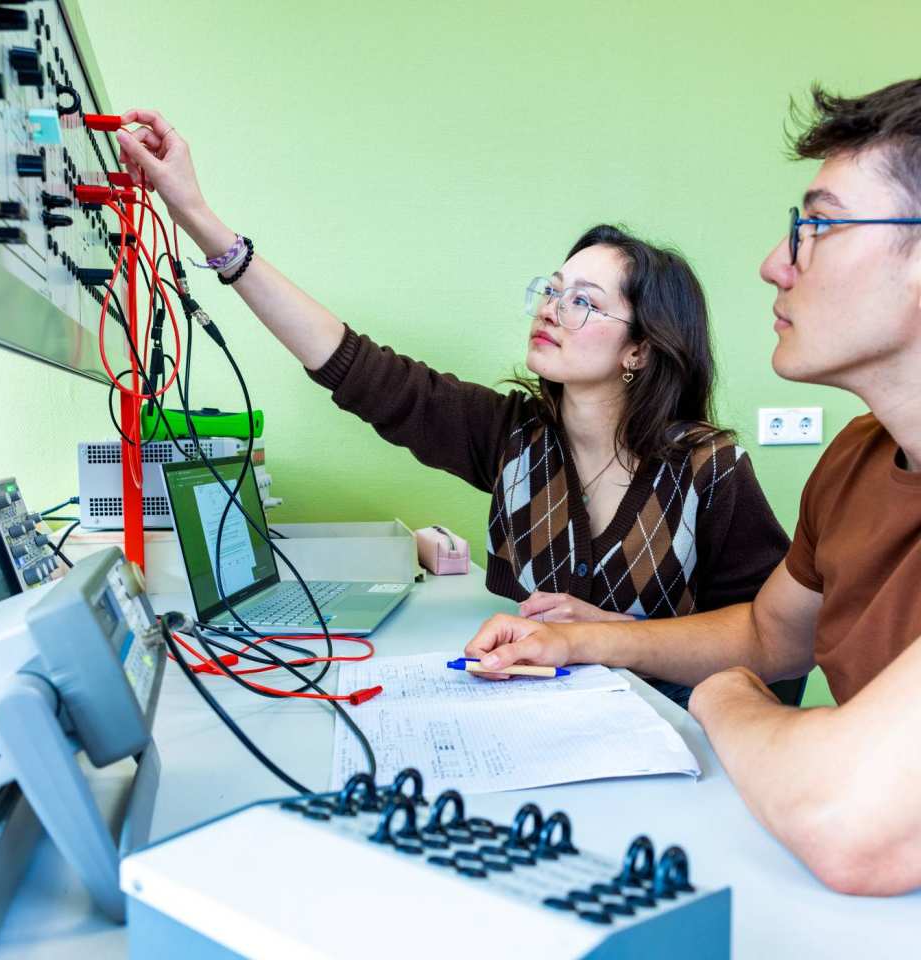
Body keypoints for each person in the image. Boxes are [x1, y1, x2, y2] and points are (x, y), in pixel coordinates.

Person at [115, 111, 788, 709]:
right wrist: (200, 220)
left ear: (640, 349)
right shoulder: (515, 440)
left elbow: (779, 648)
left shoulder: (710, 470)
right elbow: (356, 369)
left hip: (681, 746)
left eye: (581, 299)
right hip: (539, 726)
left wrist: (616, 639)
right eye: (550, 290)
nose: (550, 307)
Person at [464, 78, 921, 896]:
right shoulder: (856, 459)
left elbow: (850, 825)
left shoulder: (708, 465)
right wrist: (582, 639)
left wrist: (726, 699)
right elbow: (768, 635)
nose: (775, 263)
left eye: (815, 224)